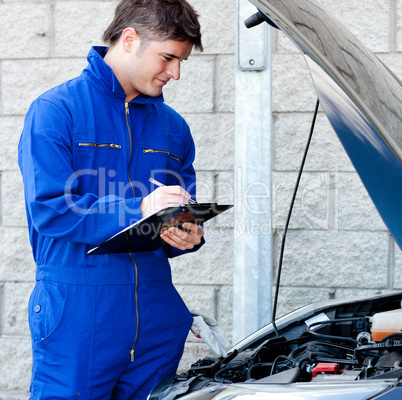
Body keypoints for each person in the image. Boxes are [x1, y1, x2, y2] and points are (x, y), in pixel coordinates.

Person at [18, 0, 206, 398]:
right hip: (79, 318)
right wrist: (139, 208)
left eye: (181, 62)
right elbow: (50, 210)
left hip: (157, 320)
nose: (175, 73)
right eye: (168, 58)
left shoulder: (173, 128)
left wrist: (187, 233)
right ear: (130, 39)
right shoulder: (56, 112)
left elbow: (173, 213)